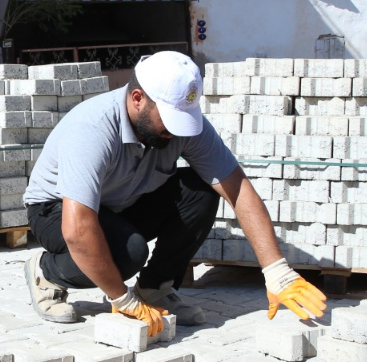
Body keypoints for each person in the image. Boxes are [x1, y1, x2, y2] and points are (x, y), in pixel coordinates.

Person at [22, 51, 327, 336]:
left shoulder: (182, 127)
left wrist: (276, 271)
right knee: (129, 253)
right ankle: (46, 272)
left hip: (120, 202)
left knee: (201, 189)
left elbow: (238, 189)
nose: (177, 132)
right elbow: (78, 228)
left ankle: (155, 287)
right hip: (57, 209)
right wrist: (121, 298)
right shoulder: (93, 128)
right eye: (169, 121)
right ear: (138, 98)